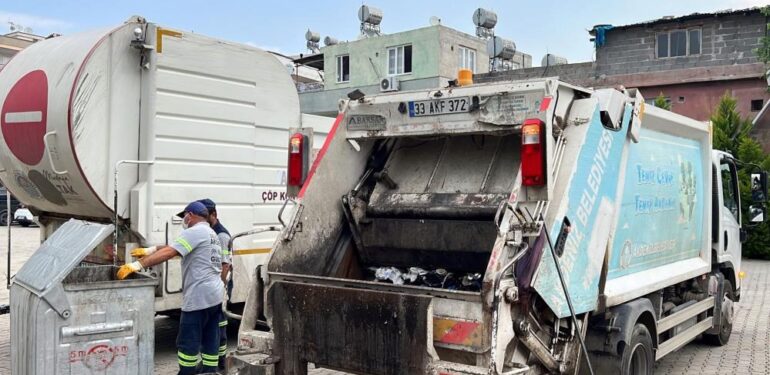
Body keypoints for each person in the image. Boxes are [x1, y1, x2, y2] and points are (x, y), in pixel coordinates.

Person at [117, 201, 224, 374]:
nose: (185, 220)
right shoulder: (210, 233)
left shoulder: (195, 231)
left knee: (188, 341)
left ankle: (186, 372)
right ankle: (209, 371)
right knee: (211, 337)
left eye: (185, 216)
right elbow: (175, 246)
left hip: (198, 297)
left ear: (191, 214)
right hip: (214, 295)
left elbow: (171, 252)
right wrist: (151, 250)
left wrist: (137, 265)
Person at [197, 198, 232, 370]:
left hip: (220, 288)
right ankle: (213, 361)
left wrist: (218, 288)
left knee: (220, 326)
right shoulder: (208, 232)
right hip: (213, 287)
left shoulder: (221, 235)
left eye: (206, 216)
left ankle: (221, 362)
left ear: (214, 215)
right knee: (212, 326)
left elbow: (225, 265)